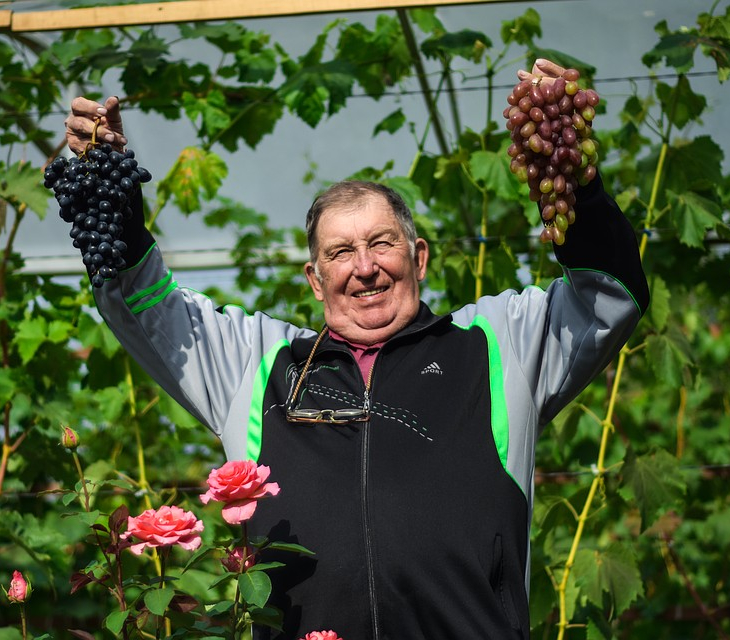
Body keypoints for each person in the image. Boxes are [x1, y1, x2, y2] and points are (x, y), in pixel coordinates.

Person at [64, 58, 649, 640]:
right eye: (341, 253)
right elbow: (145, 307)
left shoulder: (498, 344)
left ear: (419, 258)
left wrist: (568, 175)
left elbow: (612, 295)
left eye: (382, 243)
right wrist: (110, 194)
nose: (365, 267)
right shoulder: (259, 364)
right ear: (315, 280)